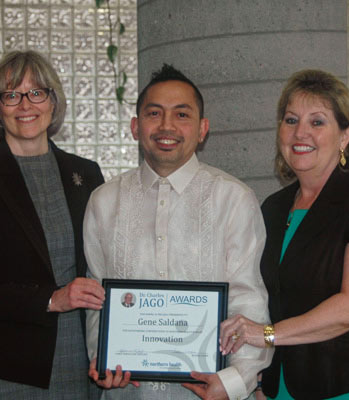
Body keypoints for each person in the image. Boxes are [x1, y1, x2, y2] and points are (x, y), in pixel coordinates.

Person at [83, 64, 274, 400]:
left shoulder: (233, 199)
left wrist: (235, 382)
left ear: (202, 129)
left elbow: (248, 300)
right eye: (154, 113)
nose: (166, 125)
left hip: (209, 393)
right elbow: (98, 295)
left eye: (181, 114)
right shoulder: (104, 201)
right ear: (135, 126)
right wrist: (103, 360)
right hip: (128, 392)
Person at [219, 69, 349, 400]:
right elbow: (268, 299)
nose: (300, 133)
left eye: (317, 122)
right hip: (283, 387)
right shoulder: (273, 209)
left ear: (345, 135)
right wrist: (262, 376)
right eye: (291, 120)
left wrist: (266, 335)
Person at [0, 50, 105, 399]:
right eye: (11, 95)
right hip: (7, 364)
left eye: (36, 92)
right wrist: (51, 299)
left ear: (52, 102)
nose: (25, 105)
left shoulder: (87, 174)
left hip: (82, 358)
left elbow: (105, 261)